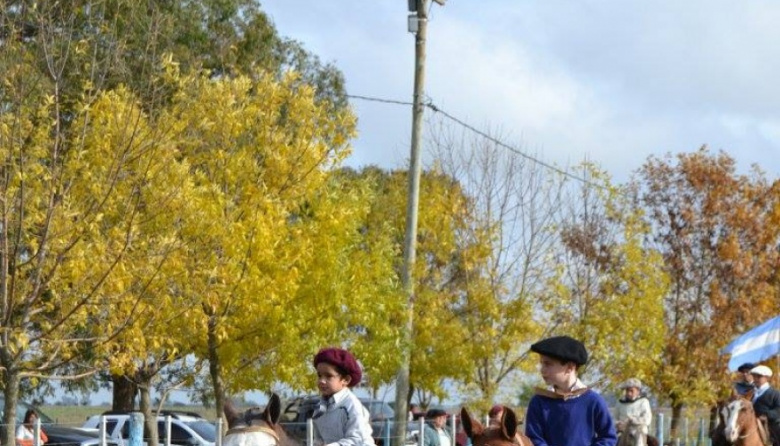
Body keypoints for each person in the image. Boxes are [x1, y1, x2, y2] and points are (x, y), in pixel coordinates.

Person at [524, 335, 617, 446]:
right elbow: (534, 438)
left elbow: (608, 437)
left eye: (548, 364)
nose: (542, 369)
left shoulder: (593, 401)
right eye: (542, 363)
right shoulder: (539, 402)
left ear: (570, 367)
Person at [311, 347, 375, 446]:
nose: (321, 381)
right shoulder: (319, 408)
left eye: (328, 376)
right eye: (319, 375)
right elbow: (319, 438)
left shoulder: (352, 406)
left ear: (345, 380)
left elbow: (356, 440)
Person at [615, 378, 653, 446]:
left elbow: (647, 419)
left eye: (631, 391)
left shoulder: (643, 402)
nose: (629, 393)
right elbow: (615, 417)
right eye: (627, 391)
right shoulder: (620, 403)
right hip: (623, 431)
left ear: (638, 391)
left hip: (639, 430)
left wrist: (633, 420)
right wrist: (618, 424)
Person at [750, 365, 780, 446]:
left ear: (767, 378)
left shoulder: (775, 394)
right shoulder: (750, 393)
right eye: (754, 376)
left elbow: (778, 409)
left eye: (759, 376)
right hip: (751, 422)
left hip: (769, 424)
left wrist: (766, 415)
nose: (755, 379)